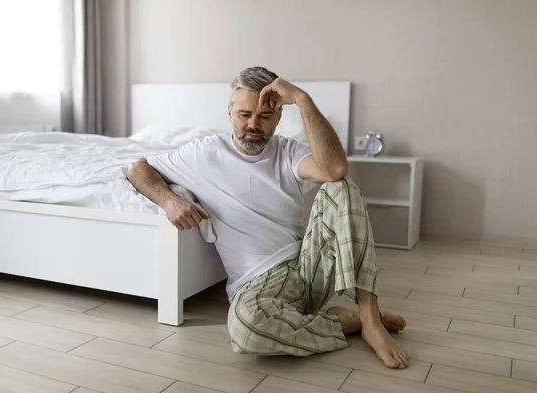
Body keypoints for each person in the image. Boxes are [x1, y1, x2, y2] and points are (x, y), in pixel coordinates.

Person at [127, 66, 409, 369]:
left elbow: (334, 169)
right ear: (229, 112)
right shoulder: (203, 153)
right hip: (256, 285)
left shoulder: (288, 151)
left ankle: (369, 318)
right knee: (246, 331)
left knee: (342, 188)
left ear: (278, 117)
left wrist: (301, 99)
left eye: (264, 117)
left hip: (307, 264)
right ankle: (344, 323)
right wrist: (168, 200)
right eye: (244, 114)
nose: (253, 125)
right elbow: (138, 169)